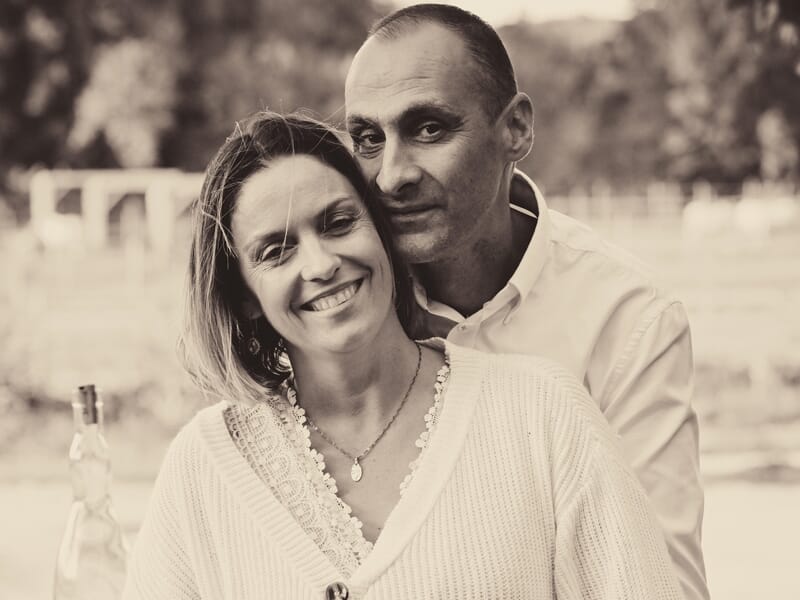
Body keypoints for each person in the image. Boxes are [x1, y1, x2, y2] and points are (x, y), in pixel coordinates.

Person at [123, 112, 683, 599]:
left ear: (382, 233)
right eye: (276, 251)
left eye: (338, 223)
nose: (320, 265)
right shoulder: (205, 466)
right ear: (244, 295)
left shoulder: (542, 414)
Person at [344, 4, 707, 600]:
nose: (390, 175)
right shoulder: (339, 299)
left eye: (429, 129)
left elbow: (664, 586)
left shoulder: (627, 319)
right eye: (367, 138)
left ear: (515, 129)